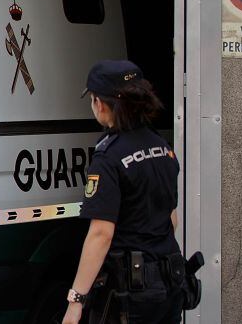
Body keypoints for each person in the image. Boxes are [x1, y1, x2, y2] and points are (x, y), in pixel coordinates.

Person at [63, 60, 184, 324]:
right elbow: (172, 219)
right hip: (170, 283)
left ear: (101, 104)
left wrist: (76, 301)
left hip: (133, 293)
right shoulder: (162, 147)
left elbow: (101, 234)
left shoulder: (108, 157)